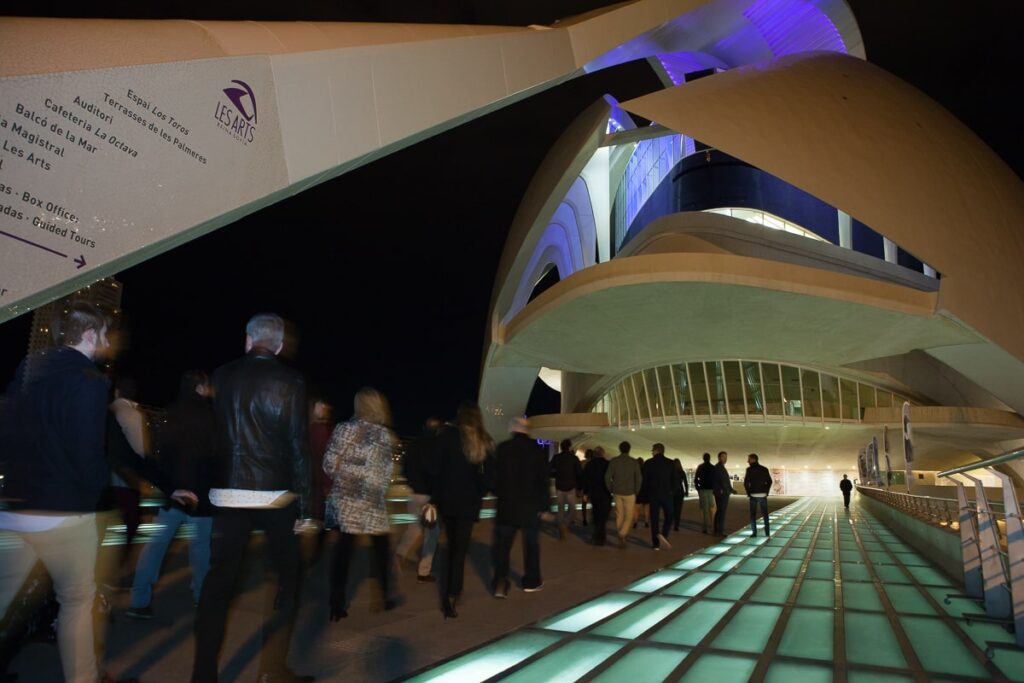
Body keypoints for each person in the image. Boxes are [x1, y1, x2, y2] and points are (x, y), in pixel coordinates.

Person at [0, 302, 195, 683]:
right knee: (76, 602)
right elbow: (99, 454)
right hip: (63, 515)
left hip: (14, 511)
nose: (107, 342)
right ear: (90, 335)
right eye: (104, 335)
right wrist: (90, 501)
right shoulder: (90, 382)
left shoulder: (25, 373)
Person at [192, 313, 316, 683]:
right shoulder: (292, 381)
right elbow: (298, 447)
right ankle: (271, 670)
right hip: (274, 496)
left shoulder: (223, 375)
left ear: (247, 340)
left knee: (217, 588)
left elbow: (215, 437)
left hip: (228, 495)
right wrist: (308, 508)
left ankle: (203, 676)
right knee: (286, 581)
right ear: (278, 346)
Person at [128, 370, 216, 619]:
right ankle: (201, 598)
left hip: (171, 494)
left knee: (154, 548)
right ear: (200, 387)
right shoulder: (211, 416)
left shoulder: (168, 413)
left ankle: (139, 601)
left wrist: (165, 486)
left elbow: (155, 454)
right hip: (200, 495)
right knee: (200, 550)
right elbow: (217, 456)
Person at [324, 388, 398, 620]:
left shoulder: (343, 429)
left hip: (346, 501)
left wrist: (346, 476)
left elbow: (328, 464)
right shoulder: (385, 436)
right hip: (372, 502)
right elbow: (385, 474)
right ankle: (384, 597)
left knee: (343, 553)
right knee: (381, 550)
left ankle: (336, 604)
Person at [429, 403, 494, 619]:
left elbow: (435, 469)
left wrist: (434, 497)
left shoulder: (446, 435)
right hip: (468, 502)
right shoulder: (482, 439)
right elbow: (488, 477)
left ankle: (449, 594)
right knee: (459, 551)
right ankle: (452, 595)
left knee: (450, 545)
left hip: (447, 502)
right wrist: (480, 491)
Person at [490, 418, 548, 597]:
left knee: (503, 547)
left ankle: (501, 583)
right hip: (530, 507)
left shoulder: (502, 449)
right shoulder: (537, 450)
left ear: (512, 430)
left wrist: (498, 492)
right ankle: (531, 581)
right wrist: (545, 507)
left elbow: (493, 477)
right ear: (527, 430)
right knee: (531, 545)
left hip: (507, 506)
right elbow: (542, 481)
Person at [395, 417, 443, 583]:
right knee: (432, 534)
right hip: (431, 497)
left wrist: (412, 483)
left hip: (414, 494)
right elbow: (439, 473)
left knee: (414, 528)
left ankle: (400, 553)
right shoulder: (439, 447)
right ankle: (424, 571)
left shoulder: (413, 446)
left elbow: (404, 469)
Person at [604, 442, 642, 548]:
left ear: (620, 449)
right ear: (629, 449)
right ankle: (622, 533)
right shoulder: (634, 462)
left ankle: (621, 535)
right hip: (630, 492)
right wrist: (637, 490)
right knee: (629, 515)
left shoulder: (614, 461)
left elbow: (607, 477)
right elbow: (639, 478)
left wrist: (610, 488)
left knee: (619, 514)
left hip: (617, 491)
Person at [642, 444, 677, 551]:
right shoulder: (670, 463)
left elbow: (645, 481)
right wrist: (672, 491)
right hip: (667, 494)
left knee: (654, 519)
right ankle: (664, 534)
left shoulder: (648, 463)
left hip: (653, 495)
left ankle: (656, 544)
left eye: (652, 451)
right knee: (669, 516)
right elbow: (675, 480)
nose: (652, 453)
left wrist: (645, 495)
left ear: (656, 451)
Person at [550, 439, 582, 539]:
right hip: (571, 486)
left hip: (559, 486)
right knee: (572, 510)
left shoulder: (556, 457)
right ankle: (565, 524)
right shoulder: (574, 458)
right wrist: (579, 487)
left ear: (561, 447)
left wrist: (556, 475)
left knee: (560, 510)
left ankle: (561, 527)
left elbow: (549, 470)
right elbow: (579, 473)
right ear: (569, 447)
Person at [582, 447, 611, 545]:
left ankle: (597, 536)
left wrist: (585, 493)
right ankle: (601, 536)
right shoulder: (608, 464)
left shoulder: (589, 465)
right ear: (603, 454)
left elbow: (586, 480)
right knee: (603, 516)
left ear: (594, 454)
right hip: (605, 493)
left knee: (596, 514)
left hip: (594, 493)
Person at [743, 453, 772, 538]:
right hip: (763, 495)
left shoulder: (749, 469)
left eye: (749, 459)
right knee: (765, 514)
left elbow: (746, 483)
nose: (747, 461)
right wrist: (766, 492)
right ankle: (767, 533)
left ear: (753, 460)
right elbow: (769, 481)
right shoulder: (764, 469)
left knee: (753, 515)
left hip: (753, 495)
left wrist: (749, 493)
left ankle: (754, 533)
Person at [712, 451, 735, 536]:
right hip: (722, 493)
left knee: (720, 511)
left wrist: (731, 489)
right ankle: (719, 531)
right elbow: (720, 481)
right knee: (721, 511)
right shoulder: (718, 467)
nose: (725, 459)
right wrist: (724, 489)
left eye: (726, 457)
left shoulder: (720, 467)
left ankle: (717, 530)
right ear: (719, 458)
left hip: (722, 492)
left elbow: (724, 481)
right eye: (723, 457)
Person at [694, 453, 716, 534]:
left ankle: (705, 528)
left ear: (703, 458)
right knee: (712, 508)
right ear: (709, 458)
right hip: (711, 490)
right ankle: (713, 526)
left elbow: (696, 478)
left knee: (704, 509)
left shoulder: (700, 467)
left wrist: (698, 488)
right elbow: (715, 479)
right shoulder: (713, 467)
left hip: (703, 490)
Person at [671, 459, 689, 531]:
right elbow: (685, 482)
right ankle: (676, 525)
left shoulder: (671, 472)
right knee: (678, 509)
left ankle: (671, 521)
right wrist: (686, 491)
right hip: (680, 492)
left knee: (672, 508)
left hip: (672, 492)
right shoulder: (682, 472)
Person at [580, 449, 594, 526]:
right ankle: (592, 518)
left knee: (584, 504)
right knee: (593, 503)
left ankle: (584, 519)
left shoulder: (582, 463)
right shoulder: (594, 463)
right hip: (592, 487)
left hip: (584, 486)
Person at [634, 455, 648, 528]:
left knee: (636, 508)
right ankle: (646, 522)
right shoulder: (646, 471)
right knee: (646, 507)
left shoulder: (635, 471)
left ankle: (635, 522)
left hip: (638, 491)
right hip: (645, 491)